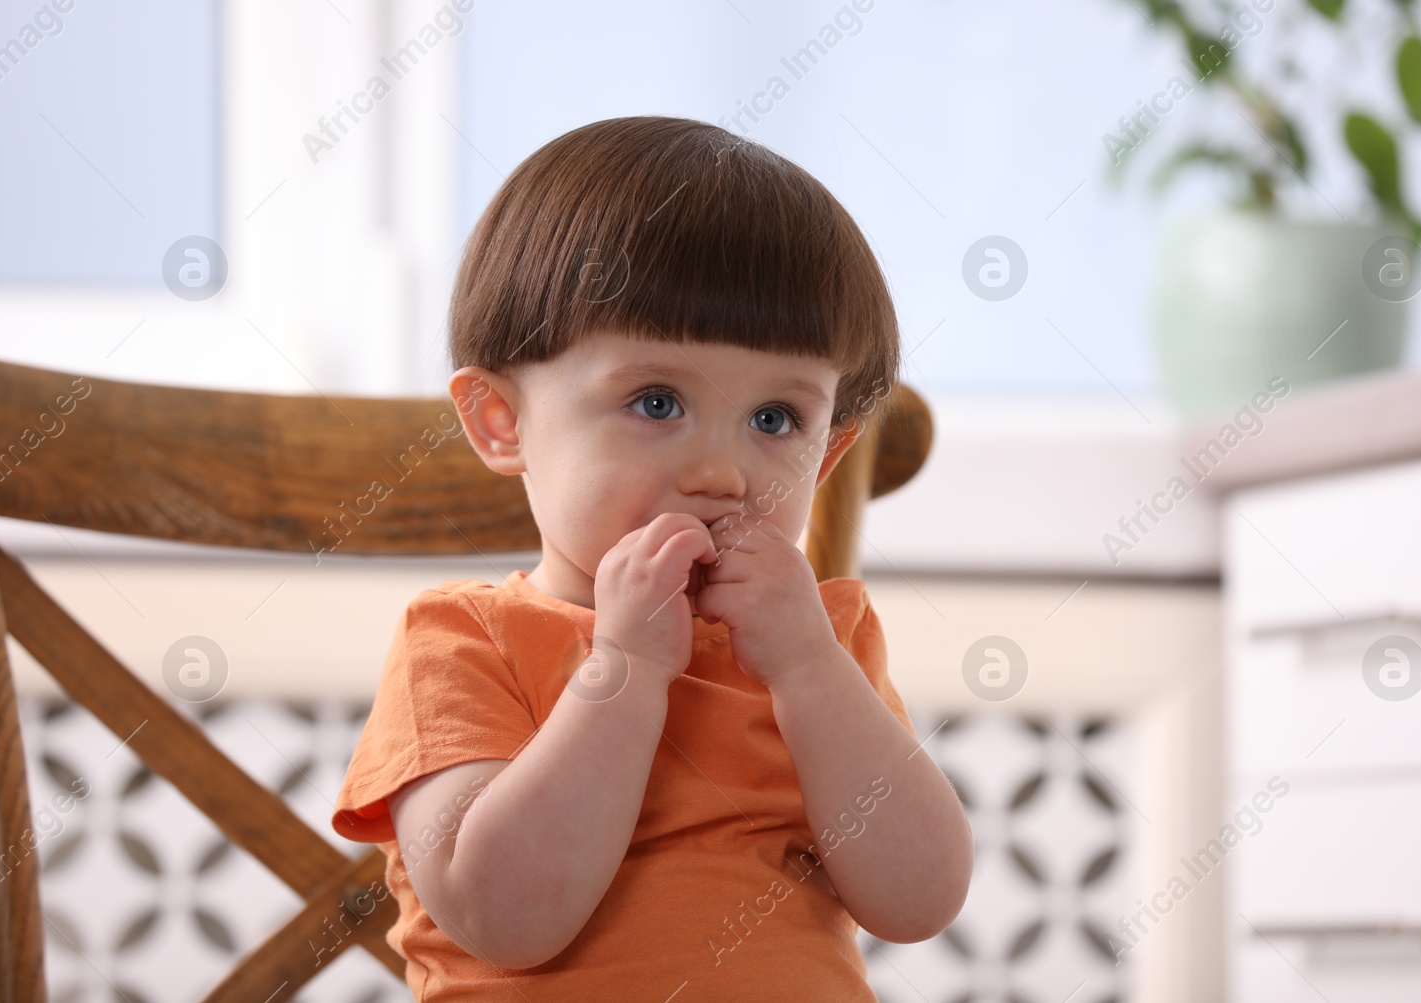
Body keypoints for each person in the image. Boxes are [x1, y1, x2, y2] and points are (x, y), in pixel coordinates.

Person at [331, 115, 973, 1000]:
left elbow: (920, 899)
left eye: (775, 420)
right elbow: (505, 914)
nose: (722, 473)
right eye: (658, 400)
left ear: (826, 455)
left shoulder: (823, 645)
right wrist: (624, 667)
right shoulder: (461, 643)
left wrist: (809, 668)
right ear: (500, 420)